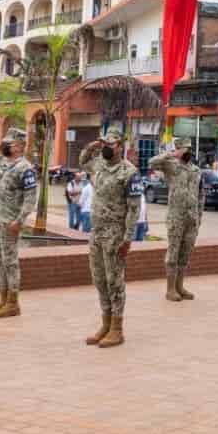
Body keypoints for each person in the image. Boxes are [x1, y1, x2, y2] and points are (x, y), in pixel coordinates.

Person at [80, 127, 144, 347]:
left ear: (120, 147)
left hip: (115, 235)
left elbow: (134, 209)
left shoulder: (129, 172)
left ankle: (117, 329)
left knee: (114, 282)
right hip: (97, 233)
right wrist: (93, 146)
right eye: (105, 143)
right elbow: (83, 161)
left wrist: (128, 239)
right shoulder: (99, 164)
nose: (107, 147)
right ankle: (105, 324)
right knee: (99, 280)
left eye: (111, 144)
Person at [0, 128, 38, 318]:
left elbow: (31, 198)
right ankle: (3, 299)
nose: (6, 146)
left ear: (20, 146)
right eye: (6, 143)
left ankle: (13, 303)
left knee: (10, 262)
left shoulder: (26, 168)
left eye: (10, 144)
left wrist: (20, 220)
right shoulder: (4, 162)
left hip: (10, 221)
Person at [149, 140, 204, 302]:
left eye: (189, 149)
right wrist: (170, 154)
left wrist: (199, 216)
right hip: (176, 217)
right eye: (184, 149)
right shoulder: (171, 166)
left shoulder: (196, 170)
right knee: (173, 252)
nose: (188, 152)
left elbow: (201, 195)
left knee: (185, 253)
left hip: (191, 218)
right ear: (178, 150)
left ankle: (180, 286)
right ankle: (170, 289)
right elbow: (151, 163)